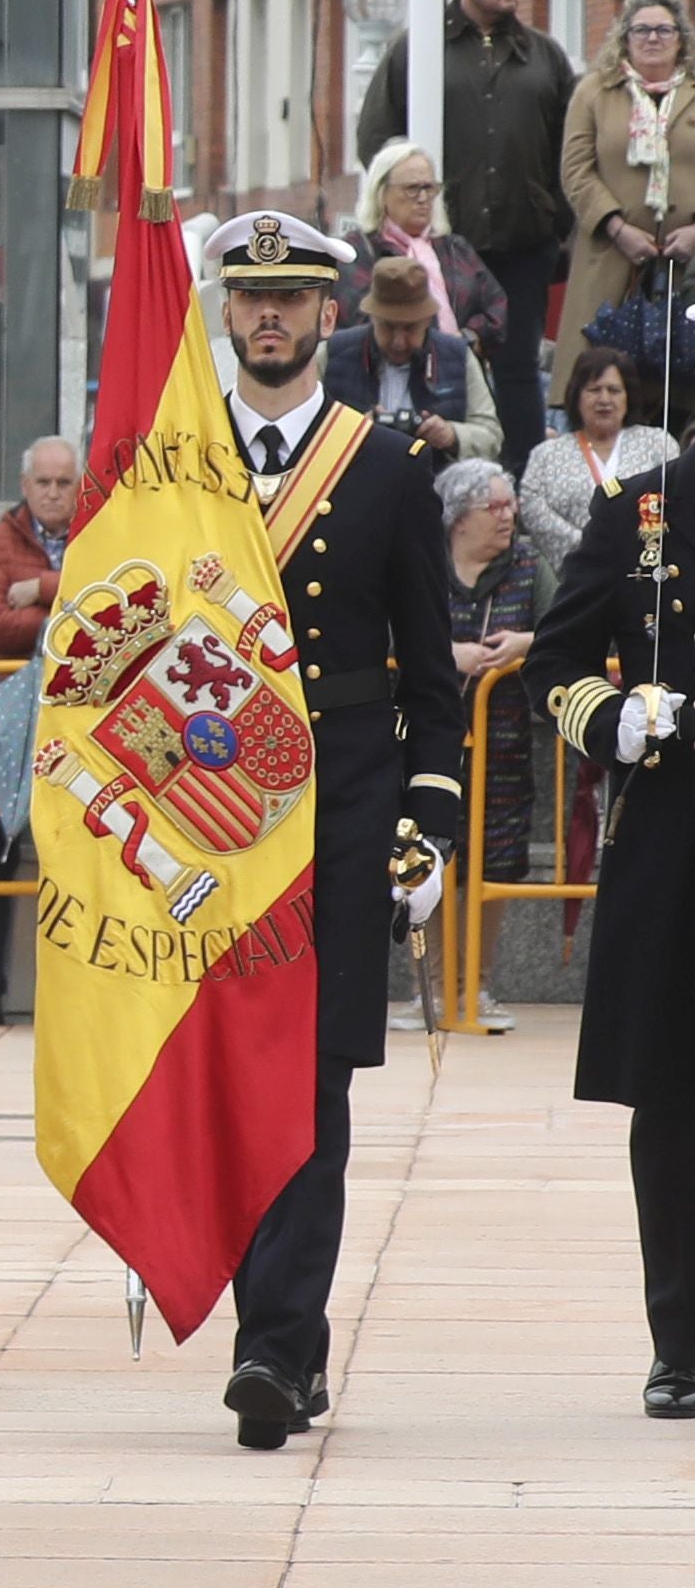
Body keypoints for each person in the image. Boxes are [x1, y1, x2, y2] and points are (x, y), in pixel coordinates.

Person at [206, 212, 468, 1447]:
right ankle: (270, 1334)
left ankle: (278, 1348)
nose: (270, 317)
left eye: (292, 300)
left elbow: (431, 674)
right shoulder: (182, 466)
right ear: (228, 314)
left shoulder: (384, 468)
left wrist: (430, 817)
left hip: (344, 808)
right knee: (226, 1080)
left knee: (311, 1085)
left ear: (330, 317)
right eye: (250, 298)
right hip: (210, 823)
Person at [531, 433, 695, 1410]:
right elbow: (557, 656)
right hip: (675, 830)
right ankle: (679, 1341)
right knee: (674, 1097)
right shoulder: (643, 505)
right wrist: (613, 720)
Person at [356, 0, 574, 450]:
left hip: (524, 243)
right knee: (443, 359)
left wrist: (557, 222)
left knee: (520, 368)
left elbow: (571, 148)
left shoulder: (543, 55)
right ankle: (442, 469)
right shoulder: (420, 49)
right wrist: (407, 206)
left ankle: (519, 482)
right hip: (445, 248)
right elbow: (377, 139)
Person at [0, 437, 82, 1026]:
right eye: (44, 483)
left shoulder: (98, 533)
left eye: (64, 482)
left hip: (82, 716)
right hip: (5, 716)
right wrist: (68, 604)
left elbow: (124, 608)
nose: (54, 493)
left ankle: (80, 986)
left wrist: (41, 589)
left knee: (80, 856)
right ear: (24, 485)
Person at [441, 456, 535, 1031]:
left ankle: (478, 985)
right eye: (493, 507)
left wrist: (527, 639)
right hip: (433, 740)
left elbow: (570, 625)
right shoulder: (425, 566)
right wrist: (445, 654)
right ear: (458, 520)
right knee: (430, 856)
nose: (507, 516)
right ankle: (434, 991)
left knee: (494, 859)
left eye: (510, 504)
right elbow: (392, 627)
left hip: (504, 743)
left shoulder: (529, 563)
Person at [563, 0, 695, 364]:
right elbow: (575, 169)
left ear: (681, 39)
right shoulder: (594, 92)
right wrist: (617, 228)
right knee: (605, 376)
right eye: (641, 30)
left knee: (681, 383)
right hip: (612, 258)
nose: (652, 38)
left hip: (688, 265)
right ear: (625, 38)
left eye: (664, 30)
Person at [523, 340, 675, 601]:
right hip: (572, 583)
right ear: (576, 396)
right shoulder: (547, 454)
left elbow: (676, 501)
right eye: (594, 390)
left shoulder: (657, 444)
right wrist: (594, 549)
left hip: (644, 581)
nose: (604, 399)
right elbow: (532, 508)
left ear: (628, 396)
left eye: (614, 390)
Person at [323, 252, 503, 464]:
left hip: (435, 485)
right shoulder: (332, 353)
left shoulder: (459, 357)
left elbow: (491, 435)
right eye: (388, 327)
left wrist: (452, 435)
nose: (399, 341)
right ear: (372, 318)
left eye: (410, 328)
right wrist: (352, 432)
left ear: (427, 320)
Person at [348, 144, 513, 371]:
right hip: (384, 378)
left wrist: (467, 338)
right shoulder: (358, 251)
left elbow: (497, 306)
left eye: (429, 187)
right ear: (381, 193)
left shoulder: (455, 248)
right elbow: (360, 320)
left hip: (459, 374)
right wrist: (429, 343)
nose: (423, 198)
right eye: (412, 188)